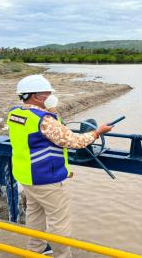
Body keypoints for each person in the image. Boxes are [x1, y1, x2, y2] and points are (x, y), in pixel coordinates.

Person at [7, 74, 113, 257]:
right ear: (35, 96)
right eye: (47, 93)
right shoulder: (44, 120)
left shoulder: (16, 114)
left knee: (35, 214)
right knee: (59, 221)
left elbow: (43, 132)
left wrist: (51, 111)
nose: (50, 96)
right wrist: (97, 132)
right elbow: (73, 141)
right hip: (48, 179)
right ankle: (62, 255)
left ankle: (34, 251)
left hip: (26, 176)